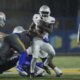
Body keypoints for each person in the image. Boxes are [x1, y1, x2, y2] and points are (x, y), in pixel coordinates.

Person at [29, 5, 62, 77]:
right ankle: (31, 72)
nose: (44, 14)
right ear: (40, 12)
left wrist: (42, 25)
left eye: (46, 12)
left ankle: (45, 64)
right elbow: (30, 29)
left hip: (44, 41)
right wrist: (38, 33)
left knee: (52, 53)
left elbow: (50, 31)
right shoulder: (36, 18)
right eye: (43, 12)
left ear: (49, 13)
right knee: (35, 57)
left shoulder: (50, 19)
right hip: (36, 40)